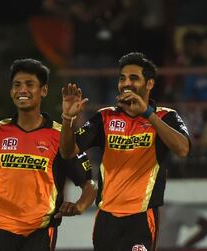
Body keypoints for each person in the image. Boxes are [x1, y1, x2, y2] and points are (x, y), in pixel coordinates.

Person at [59, 52, 190, 251]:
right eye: (122, 78)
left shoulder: (166, 116)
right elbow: (68, 152)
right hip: (106, 219)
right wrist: (67, 120)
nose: (126, 83)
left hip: (141, 218)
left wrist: (148, 114)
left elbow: (182, 149)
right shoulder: (104, 117)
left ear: (150, 84)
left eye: (134, 78)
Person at [0, 58, 97, 251]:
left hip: (39, 232)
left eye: (30, 84)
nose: (22, 90)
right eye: (17, 85)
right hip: (0, 229)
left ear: (43, 91)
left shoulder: (61, 136)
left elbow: (89, 184)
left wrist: (80, 206)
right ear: (11, 91)